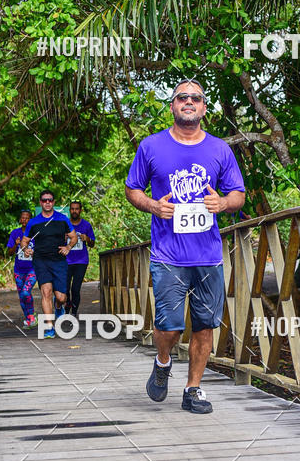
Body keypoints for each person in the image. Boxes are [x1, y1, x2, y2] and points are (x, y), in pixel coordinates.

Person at [125, 79, 246, 414]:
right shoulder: (151, 147)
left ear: (204, 108)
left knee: (205, 325)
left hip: (208, 255)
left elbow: (238, 193)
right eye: (182, 98)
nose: (189, 102)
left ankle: (193, 389)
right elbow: (133, 189)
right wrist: (153, 206)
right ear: (173, 107)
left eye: (196, 98)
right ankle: (163, 362)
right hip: (168, 254)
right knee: (169, 324)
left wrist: (223, 203)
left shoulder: (220, 149)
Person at [20, 190, 78, 338]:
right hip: (41, 261)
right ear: (40, 202)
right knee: (46, 292)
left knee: (61, 297)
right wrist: (26, 249)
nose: (47, 202)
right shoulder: (33, 222)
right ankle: (49, 327)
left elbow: (73, 237)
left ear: (53, 202)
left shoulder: (63, 219)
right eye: (44, 200)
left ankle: (58, 307)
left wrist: (68, 247)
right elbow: (24, 241)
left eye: (50, 200)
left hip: (59, 261)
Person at [6, 210, 37, 329]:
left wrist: (34, 252)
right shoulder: (15, 233)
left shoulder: (35, 234)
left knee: (26, 292)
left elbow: (41, 250)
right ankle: (28, 319)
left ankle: (32, 316)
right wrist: (16, 244)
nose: (24, 220)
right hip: (18, 270)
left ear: (31, 220)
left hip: (32, 269)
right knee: (22, 297)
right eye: (23, 218)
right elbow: (9, 253)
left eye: (27, 218)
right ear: (20, 220)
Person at [66, 201, 95, 316]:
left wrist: (87, 238)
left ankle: (73, 312)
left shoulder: (86, 225)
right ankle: (67, 304)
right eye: (72, 209)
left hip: (81, 261)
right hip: (66, 261)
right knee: (65, 288)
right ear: (70, 210)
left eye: (76, 209)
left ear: (80, 210)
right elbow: (56, 243)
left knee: (75, 288)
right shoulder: (65, 224)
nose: (74, 211)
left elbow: (92, 244)